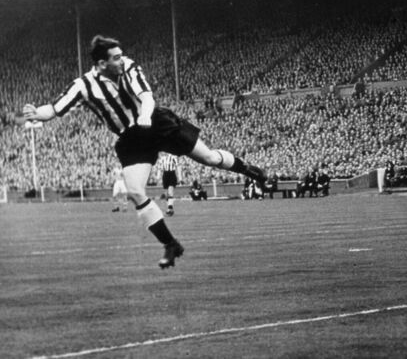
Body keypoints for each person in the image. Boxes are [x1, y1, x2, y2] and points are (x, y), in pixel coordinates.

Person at [22, 35, 269, 269]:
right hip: (131, 138)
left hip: (155, 123)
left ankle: (250, 171)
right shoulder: (83, 85)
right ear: (101, 63)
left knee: (210, 158)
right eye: (115, 57)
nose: (122, 59)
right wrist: (37, 113)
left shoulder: (129, 67)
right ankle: (171, 245)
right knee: (134, 191)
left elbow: (146, 96)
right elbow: (54, 108)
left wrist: (143, 116)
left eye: (121, 55)